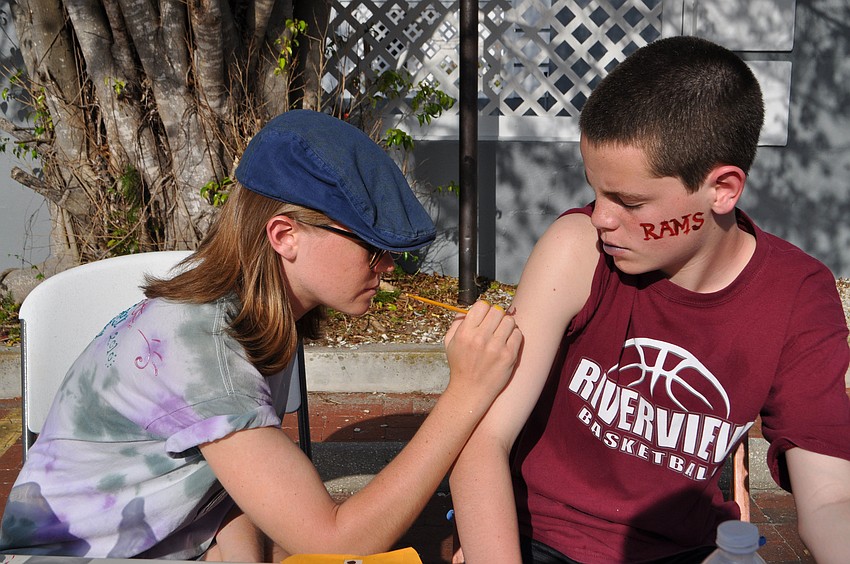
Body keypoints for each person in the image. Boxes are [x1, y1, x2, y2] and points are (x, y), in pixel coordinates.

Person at [0, 110, 523, 561]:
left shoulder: (249, 316)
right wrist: (466, 394)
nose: (387, 266)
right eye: (371, 247)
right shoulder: (207, 353)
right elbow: (337, 539)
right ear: (285, 235)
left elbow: (219, 486)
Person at [449, 35, 850, 563]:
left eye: (630, 201)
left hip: (681, 548)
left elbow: (831, 496)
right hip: (537, 537)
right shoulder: (580, 249)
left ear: (723, 189)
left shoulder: (797, 295)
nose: (600, 217)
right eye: (596, 191)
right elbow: (481, 439)